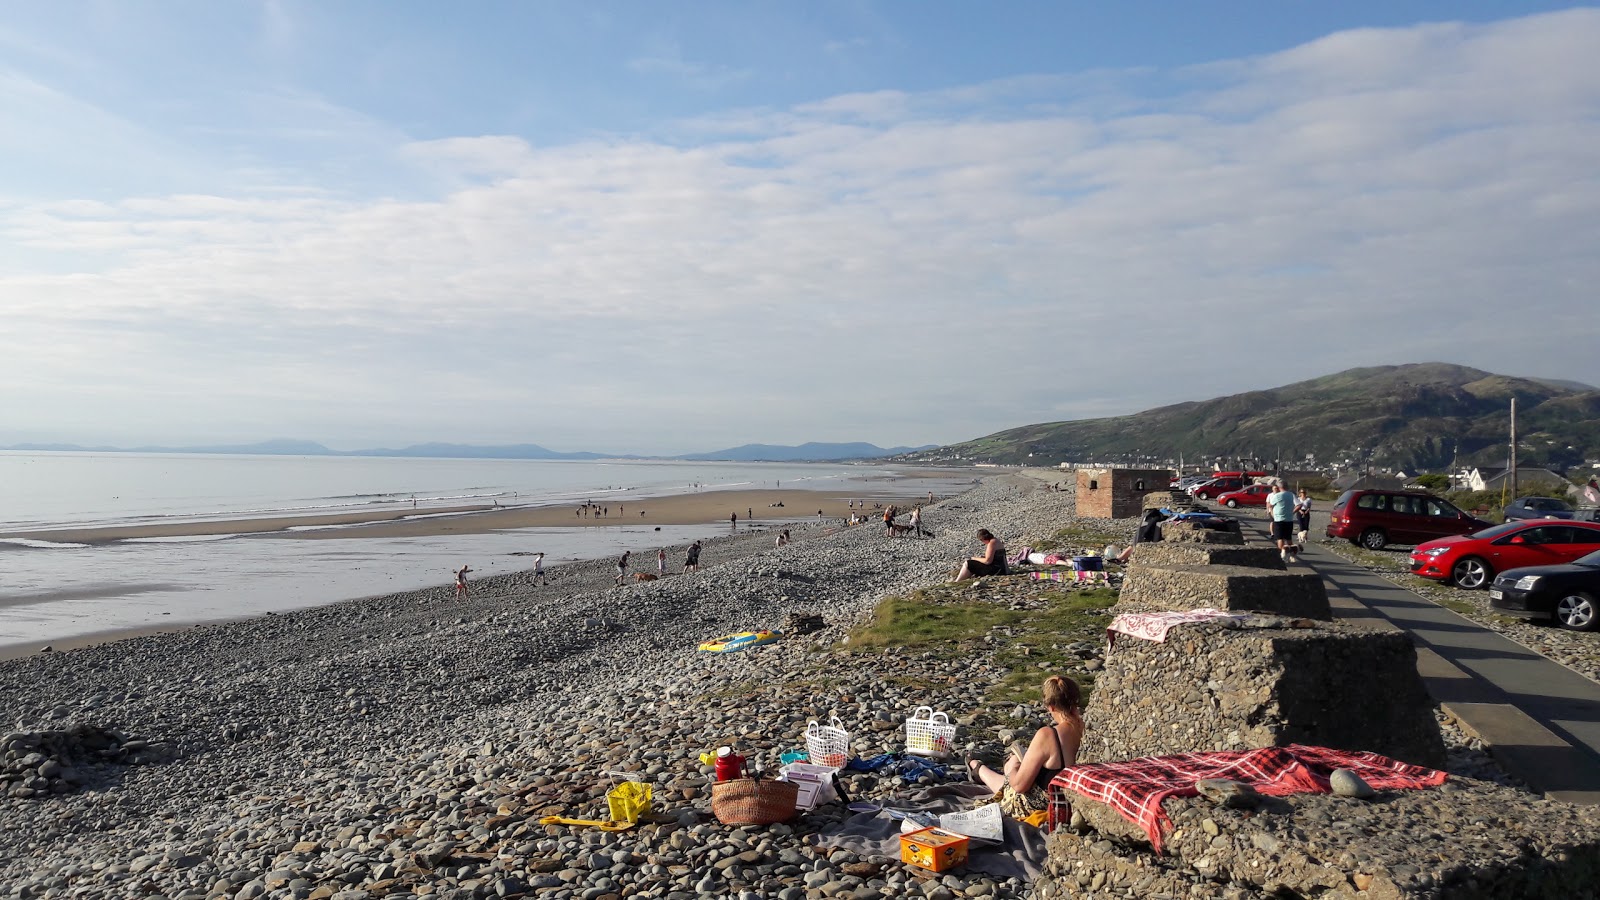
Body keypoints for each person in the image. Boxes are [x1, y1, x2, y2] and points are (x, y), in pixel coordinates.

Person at [966, 675, 1083, 818]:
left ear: (1050, 706)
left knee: (1012, 765)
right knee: (1016, 765)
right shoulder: (1085, 729)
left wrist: (1013, 769)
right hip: (1073, 800)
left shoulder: (1048, 735)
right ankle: (977, 768)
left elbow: (1020, 786)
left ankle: (976, 767)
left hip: (1042, 805)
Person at [1266, 480, 1298, 562]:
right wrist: (1292, 512)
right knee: (1288, 538)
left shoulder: (1277, 496)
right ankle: (1292, 555)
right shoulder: (1291, 495)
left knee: (1280, 538)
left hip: (1279, 519)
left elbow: (1270, 504)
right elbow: (1298, 504)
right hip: (1289, 519)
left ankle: (1282, 555)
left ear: (1279, 487)